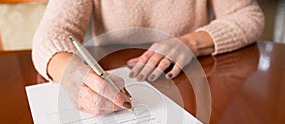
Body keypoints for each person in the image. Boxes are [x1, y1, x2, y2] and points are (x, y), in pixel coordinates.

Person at [32, 0, 264, 115]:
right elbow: (51, 33)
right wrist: (71, 74)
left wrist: (190, 42)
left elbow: (248, 15)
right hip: (111, 77)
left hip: (188, 83)